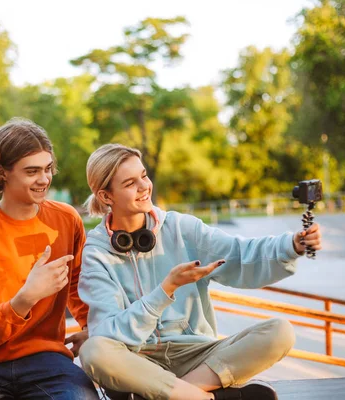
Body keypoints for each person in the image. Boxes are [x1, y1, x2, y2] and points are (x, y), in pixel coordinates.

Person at [77, 144, 322, 400]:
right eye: (130, 183)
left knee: (280, 331)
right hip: (135, 361)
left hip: (198, 355)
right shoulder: (96, 254)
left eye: (144, 175)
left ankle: (174, 394)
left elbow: (239, 254)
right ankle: (206, 397)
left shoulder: (182, 228)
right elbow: (109, 334)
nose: (144, 186)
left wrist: (291, 245)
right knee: (94, 350)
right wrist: (166, 289)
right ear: (106, 196)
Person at [0, 118, 99, 400]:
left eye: (48, 168)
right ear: (2, 172)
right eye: (32, 171)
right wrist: (25, 298)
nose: (44, 179)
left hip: (46, 358)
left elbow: (80, 286)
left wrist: (93, 329)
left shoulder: (66, 220)